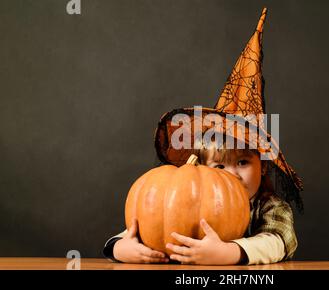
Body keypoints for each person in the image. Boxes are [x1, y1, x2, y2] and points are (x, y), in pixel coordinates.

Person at [103, 8, 304, 265]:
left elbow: (278, 242)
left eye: (242, 162)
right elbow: (151, 223)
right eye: (219, 165)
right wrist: (121, 247)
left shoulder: (269, 207)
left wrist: (230, 252)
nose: (232, 173)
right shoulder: (191, 199)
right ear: (202, 167)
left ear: (262, 166)